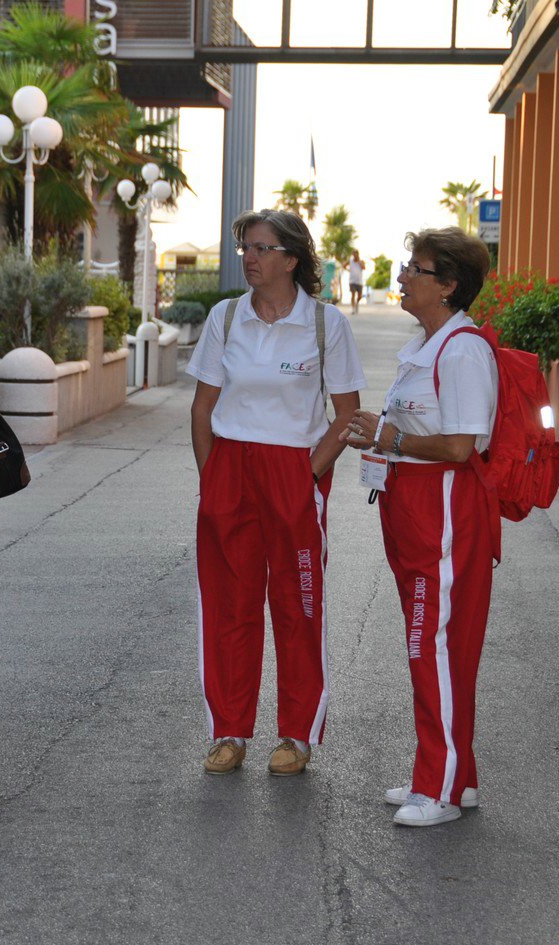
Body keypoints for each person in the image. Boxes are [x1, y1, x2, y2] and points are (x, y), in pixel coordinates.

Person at [188, 209, 364, 777]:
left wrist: (307, 476)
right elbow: (203, 406)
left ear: (291, 259)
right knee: (229, 607)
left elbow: (348, 415)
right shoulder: (226, 316)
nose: (250, 258)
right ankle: (229, 731)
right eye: (245, 247)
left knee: (297, 605)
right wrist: (211, 477)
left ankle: (296, 733)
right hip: (230, 466)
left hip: (294, 468)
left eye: (262, 248)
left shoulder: (325, 324)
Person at [340, 227, 498, 828]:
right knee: (434, 645)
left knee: (431, 647)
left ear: (449, 286)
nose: (403, 277)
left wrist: (392, 436)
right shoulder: (430, 344)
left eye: (417, 269)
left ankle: (440, 786)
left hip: (444, 513)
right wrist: (384, 437)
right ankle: (454, 773)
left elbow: (461, 447)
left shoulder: (460, 350)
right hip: (412, 508)